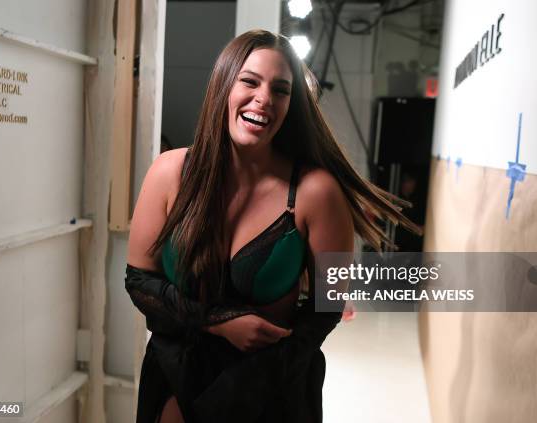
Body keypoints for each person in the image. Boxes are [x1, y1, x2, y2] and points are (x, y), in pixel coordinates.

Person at [125, 30, 418, 423]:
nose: (264, 98)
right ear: (223, 85)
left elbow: (325, 310)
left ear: (291, 104)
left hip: (270, 382)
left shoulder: (315, 192)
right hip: (176, 369)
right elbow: (140, 281)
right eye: (249, 81)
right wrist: (219, 323)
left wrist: (254, 383)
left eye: (280, 89)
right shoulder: (170, 172)